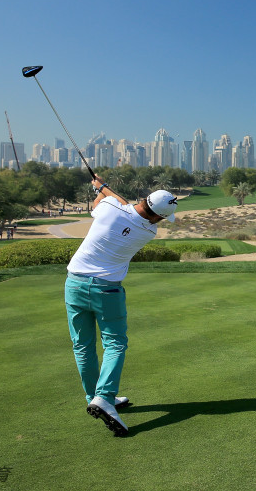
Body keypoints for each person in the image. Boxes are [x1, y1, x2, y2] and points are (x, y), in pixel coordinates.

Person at [65, 175, 177, 437]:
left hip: (74, 284)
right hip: (108, 291)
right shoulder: (149, 230)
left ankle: (94, 395)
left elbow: (112, 204)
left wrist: (100, 188)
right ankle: (104, 396)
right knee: (115, 344)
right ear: (157, 218)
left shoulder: (109, 209)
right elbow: (128, 209)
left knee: (82, 345)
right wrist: (104, 188)